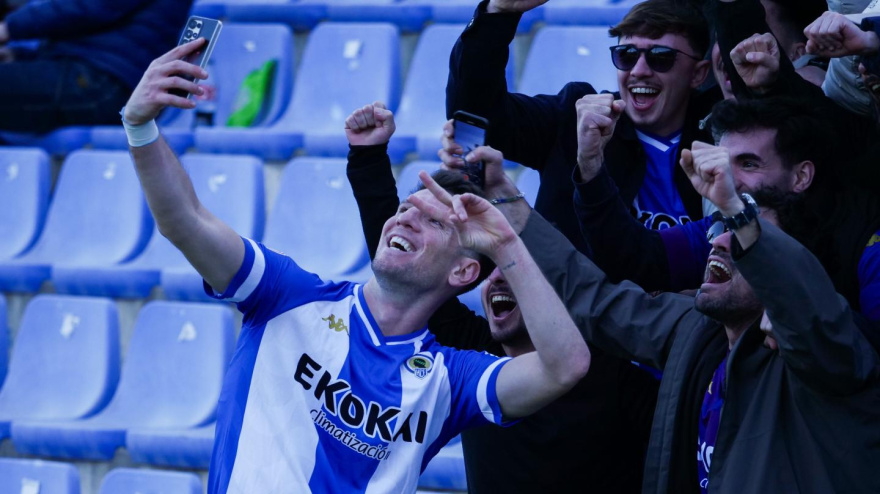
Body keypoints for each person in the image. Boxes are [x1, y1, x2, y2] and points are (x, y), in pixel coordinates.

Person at [121, 40, 590, 494]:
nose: (406, 216)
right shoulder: (287, 295)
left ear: (464, 273)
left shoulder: (450, 378)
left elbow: (565, 367)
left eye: (432, 220)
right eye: (406, 207)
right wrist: (140, 125)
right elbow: (185, 220)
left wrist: (506, 239)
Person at [505, 134, 880, 493]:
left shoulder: (827, 354)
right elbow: (593, 298)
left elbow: (810, 314)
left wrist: (736, 208)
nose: (717, 241)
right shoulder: (694, 331)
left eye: (741, 234)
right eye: (719, 226)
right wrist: (509, 207)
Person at [345, 102, 659, 493]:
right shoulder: (472, 353)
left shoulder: (619, 379)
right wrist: (368, 155)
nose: (498, 278)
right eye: (491, 265)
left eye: (514, 265)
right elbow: (405, 255)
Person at [569, 96, 880, 323]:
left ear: (801, 176)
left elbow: (868, 359)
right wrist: (591, 164)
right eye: (723, 161)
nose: (726, 177)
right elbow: (635, 258)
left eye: (748, 164)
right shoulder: (722, 226)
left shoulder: (867, 245)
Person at [446, 0, 718, 253]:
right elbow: (475, 116)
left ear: (698, 73)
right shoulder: (573, 119)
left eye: (661, 57)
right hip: (573, 303)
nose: (639, 70)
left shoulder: (722, 134)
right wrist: (498, 13)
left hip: (686, 304)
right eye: (627, 55)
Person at [0, 0, 192, 133]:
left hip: (106, 82)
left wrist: (9, 28)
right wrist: (19, 55)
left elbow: (86, 9)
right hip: (93, 75)